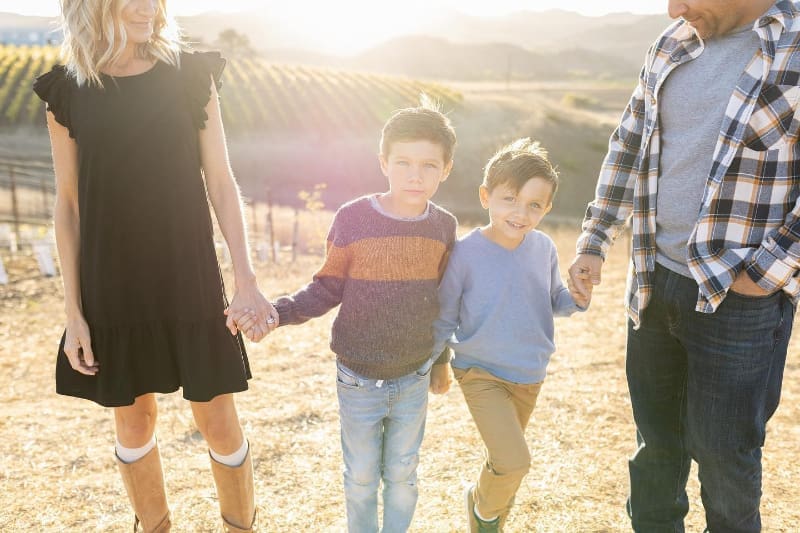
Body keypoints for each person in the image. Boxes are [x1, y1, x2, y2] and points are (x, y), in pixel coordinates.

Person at [33, 1, 278, 531]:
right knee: (135, 417)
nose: (150, 7)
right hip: (112, 282)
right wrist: (73, 313)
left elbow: (221, 180)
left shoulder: (190, 77)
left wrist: (246, 281)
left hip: (187, 273)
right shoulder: (67, 93)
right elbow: (69, 204)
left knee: (217, 419)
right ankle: (154, 526)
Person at [569, 1, 798, 531]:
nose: (675, 8)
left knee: (725, 462)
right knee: (656, 452)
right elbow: (628, 143)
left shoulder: (794, 49)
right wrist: (595, 236)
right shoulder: (673, 42)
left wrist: (762, 276)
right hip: (654, 283)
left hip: (737, 302)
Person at [233, 102, 457, 532]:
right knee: (360, 477)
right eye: (404, 162)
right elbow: (327, 287)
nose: (416, 175)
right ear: (383, 163)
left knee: (403, 475)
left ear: (446, 169)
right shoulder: (353, 219)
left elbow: (443, 302)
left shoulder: (443, 227)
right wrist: (278, 313)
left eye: (429, 165)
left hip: (414, 375)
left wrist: (442, 363)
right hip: (357, 379)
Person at [430, 139, 585, 533]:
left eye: (535, 205)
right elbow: (444, 314)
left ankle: (483, 505)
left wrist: (578, 298)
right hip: (480, 372)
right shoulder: (465, 253)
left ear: (547, 208)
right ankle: (483, 517)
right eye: (509, 199)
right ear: (486, 196)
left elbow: (554, 301)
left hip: (530, 373)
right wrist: (438, 363)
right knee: (515, 461)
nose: (520, 213)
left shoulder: (543, 248)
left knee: (504, 463)